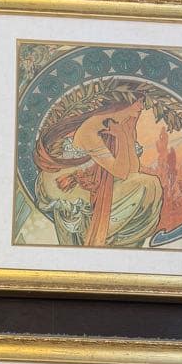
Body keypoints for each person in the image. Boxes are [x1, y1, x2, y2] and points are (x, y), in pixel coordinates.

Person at [34, 92, 163, 248]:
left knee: (150, 184)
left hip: (98, 185)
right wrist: (122, 137)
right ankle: (100, 234)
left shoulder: (119, 125)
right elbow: (122, 173)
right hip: (76, 190)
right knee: (148, 184)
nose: (142, 107)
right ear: (123, 103)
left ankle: (117, 238)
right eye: (138, 102)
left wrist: (127, 135)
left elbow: (132, 171)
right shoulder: (91, 128)